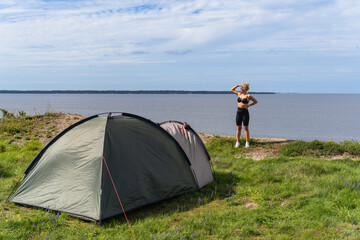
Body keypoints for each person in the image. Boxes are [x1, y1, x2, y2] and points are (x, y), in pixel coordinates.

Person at [231, 82, 258, 148]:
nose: (240, 88)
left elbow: (255, 101)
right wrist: (238, 85)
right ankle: (237, 142)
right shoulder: (239, 94)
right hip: (238, 112)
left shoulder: (248, 96)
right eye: (240, 87)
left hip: (245, 112)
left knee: (246, 128)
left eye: (242, 87)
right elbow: (232, 89)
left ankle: (247, 142)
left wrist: (249, 105)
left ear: (245, 89)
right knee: (238, 127)